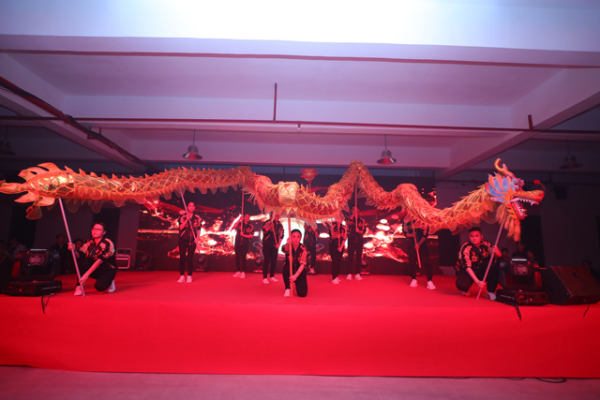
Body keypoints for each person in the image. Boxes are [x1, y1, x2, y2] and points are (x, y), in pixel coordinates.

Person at [69, 223, 117, 295]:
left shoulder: (107, 243)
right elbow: (78, 256)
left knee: (100, 287)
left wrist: (86, 275)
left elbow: (100, 260)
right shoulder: (89, 242)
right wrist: (73, 250)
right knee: (84, 263)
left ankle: (110, 281)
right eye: (94, 229)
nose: (95, 231)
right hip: (95, 269)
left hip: (107, 270)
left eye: (99, 229)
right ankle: (79, 286)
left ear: (104, 232)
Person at [455, 227, 502, 300]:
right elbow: (467, 267)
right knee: (461, 285)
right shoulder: (466, 247)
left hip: (481, 269)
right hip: (469, 270)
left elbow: (499, 255)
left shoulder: (486, 244)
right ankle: (465, 289)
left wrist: (496, 251)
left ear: (481, 237)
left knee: (493, 266)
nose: (474, 238)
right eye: (472, 236)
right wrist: (477, 282)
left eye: (476, 236)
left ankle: (490, 291)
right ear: (469, 237)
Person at [402, 220, 435, 290]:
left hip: (422, 244)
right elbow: (405, 233)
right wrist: (411, 235)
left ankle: (429, 281)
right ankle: (413, 279)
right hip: (411, 243)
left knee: (426, 261)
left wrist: (419, 244)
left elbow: (425, 235)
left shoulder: (424, 221)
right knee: (412, 262)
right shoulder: (407, 221)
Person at [177, 201, 202, 283]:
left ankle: (189, 276)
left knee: (190, 259)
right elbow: (181, 227)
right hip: (183, 240)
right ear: (187, 207)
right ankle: (182, 276)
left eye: (193, 206)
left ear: (194, 207)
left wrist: (197, 238)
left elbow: (199, 229)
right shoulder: (182, 216)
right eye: (190, 206)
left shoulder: (197, 217)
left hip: (192, 241)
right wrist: (186, 220)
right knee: (182, 258)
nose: (191, 207)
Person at [281, 229, 308, 298]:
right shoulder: (288, 246)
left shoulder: (304, 248)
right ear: (290, 238)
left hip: (299, 271)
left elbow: (303, 264)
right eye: (294, 237)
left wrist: (295, 276)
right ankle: (288, 288)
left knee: (302, 293)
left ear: (300, 238)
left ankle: (297, 284)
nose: (296, 239)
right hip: (290, 269)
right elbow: (284, 250)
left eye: (298, 237)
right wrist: (288, 243)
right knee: (286, 267)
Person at [261, 212, 283, 284]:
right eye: (276, 216)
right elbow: (264, 231)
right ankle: (265, 277)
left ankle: (272, 276)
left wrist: (278, 244)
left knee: (274, 261)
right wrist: (270, 227)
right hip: (267, 244)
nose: (277, 217)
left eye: (278, 216)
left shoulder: (280, 225)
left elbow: (281, 236)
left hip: (275, 245)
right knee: (267, 260)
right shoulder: (268, 222)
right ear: (273, 216)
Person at [346, 206, 366, 281]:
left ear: (359, 210)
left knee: (358, 257)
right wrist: (354, 213)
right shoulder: (350, 219)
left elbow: (363, 231)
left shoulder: (362, 220)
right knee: (350, 257)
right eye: (353, 209)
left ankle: (357, 273)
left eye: (356, 209)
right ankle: (349, 273)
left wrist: (358, 231)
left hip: (359, 240)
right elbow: (349, 222)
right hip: (351, 240)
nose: (355, 210)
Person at [233, 214, 254, 279]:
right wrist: (239, 219)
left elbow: (251, 235)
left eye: (248, 217)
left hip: (245, 243)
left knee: (243, 257)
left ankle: (243, 272)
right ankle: (238, 271)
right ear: (244, 217)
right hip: (238, 242)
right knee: (237, 257)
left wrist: (243, 235)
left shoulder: (250, 226)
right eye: (246, 216)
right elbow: (234, 226)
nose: (247, 218)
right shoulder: (240, 223)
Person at [328, 220, 347, 284]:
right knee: (335, 262)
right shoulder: (332, 227)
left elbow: (344, 238)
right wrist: (336, 236)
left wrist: (341, 247)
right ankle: (333, 278)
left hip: (340, 248)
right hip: (333, 247)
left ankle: (336, 276)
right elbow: (331, 236)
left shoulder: (344, 228)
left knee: (339, 263)